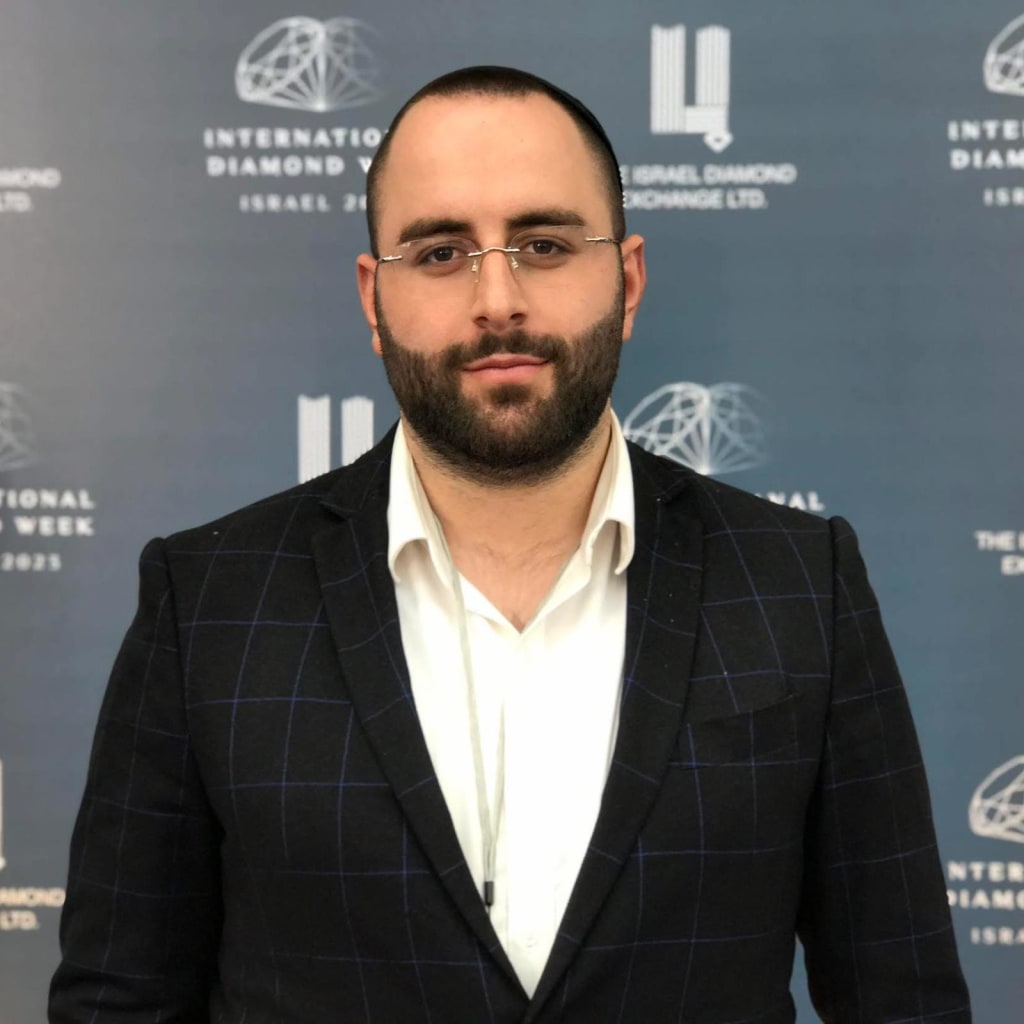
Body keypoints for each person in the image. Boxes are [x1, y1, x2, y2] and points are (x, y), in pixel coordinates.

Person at [49, 66, 971, 1023]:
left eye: (544, 244)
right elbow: (119, 1001)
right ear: (373, 299)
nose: (498, 298)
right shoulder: (209, 602)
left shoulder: (799, 582)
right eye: (441, 252)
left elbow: (903, 999)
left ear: (628, 280)